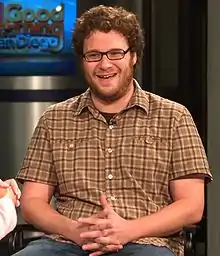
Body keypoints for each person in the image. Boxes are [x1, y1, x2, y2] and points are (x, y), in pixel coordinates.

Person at [13, 4, 212, 256]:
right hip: (66, 242)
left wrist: (128, 230)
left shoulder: (174, 116)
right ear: (83, 60)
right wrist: (75, 230)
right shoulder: (54, 118)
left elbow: (192, 206)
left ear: (134, 56)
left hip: (146, 242)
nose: (104, 64)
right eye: (94, 55)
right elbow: (32, 203)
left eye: (115, 53)